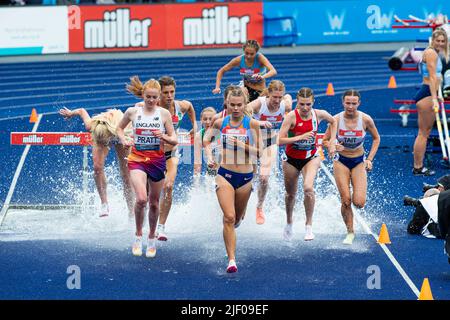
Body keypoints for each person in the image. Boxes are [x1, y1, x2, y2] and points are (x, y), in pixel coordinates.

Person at [203, 86, 263, 273]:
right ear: (227, 104)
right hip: (225, 174)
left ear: (244, 104)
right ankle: (231, 260)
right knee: (228, 218)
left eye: (239, 105)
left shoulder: (251, 124)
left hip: (245, 177)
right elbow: (206, 140)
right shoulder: (220, 123)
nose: (235, 108)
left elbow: (259, 152)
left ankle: (235, 226)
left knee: (237, 218)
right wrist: (210, 157)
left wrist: (240, 144)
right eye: (232, 105)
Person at [116, 77, 177, 258]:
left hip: (157, 161)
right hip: (137, 159)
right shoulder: (132, 112)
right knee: (141, 199)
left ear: (158, 98)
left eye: (154, 98)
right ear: (143, 95)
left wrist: (164, 137)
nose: (151, 101)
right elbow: (119, 129)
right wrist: (124, 139)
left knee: (154, 203)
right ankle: (137, 235)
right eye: (148, 97)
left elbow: (174, 139)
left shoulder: (164, 114)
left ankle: (151, 238)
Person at [278, 87, 337, 242]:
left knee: (308, 188)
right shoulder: (291, 117)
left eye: (308, 104)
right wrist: (299, 137)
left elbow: (333, 121)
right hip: (291, 159)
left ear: (313, 103)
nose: (305, 108)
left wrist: (331, 141)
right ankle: (289, 222)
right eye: (302, 104)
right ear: (297, 102)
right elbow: (279, 140)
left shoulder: (319, 114)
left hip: (311, 157)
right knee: (290, 194)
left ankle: (308, 226)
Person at [323, 89, 380, 245]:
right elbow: (324, 140)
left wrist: (369, 159)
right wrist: (332, 145)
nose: (350, 106)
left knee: (359, 202)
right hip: (341, 161)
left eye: (354, 103)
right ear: (343, 102)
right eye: (347, 103)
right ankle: (350, 232)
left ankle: (353, 215)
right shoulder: (335, 120)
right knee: (346, 200)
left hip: (359, 162)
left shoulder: (366, 119)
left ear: (359, 103)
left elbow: (376, 138)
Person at [58, 107, 134, 218]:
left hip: (120, 134)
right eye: (102, 142)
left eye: (105, 141)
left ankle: (131, 210)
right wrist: (70, 113)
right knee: (97, 168)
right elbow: (81, 111)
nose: (105, 144)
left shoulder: (122, 127)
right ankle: (104, 203)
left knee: (126, 175)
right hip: (103, 132)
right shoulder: (91, 126)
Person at [156, 76, 197, 241]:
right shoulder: (152, 107)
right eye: (165, 92)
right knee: (149, 193)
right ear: (159, 93)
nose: (169, 96)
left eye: (172, 92)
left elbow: (190, 107)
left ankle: (161, 226)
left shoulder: (181, 106)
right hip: (151, 154)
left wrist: (195, 125)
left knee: (169, 186)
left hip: (171, 153)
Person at [248, 80, 292, 224]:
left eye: (280, 97)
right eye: (274, 97)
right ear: (269, 95)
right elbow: (243, 111)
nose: (277, 101)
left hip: (270, 142)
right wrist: (258, 123)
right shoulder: (260, 103)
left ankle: (259, 207)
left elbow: (289, 99)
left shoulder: (285, 104)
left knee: (264, 178)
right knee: (250, 177)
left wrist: (287, 104)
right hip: (253, 141)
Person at [412, 28, 449, 176]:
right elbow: (433, 77)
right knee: (423, 134)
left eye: (443, 41)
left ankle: (418, 167)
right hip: (427, 94)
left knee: (424, 133)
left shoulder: (434, 52)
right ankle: (418, 167)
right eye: (438, 40)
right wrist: (434, 98)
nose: (440, 43)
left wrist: (437, 95)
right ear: (432, 40)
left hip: (429, 92)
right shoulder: (431, 53)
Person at [212, 40, 277, 102]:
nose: (248, 56)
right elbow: (221, 71)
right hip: (246, 89)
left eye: (252, 54)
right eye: (246, 53)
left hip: (259, 90)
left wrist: (262, 76)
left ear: (256, 52)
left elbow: (273, 71)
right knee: (236, 94)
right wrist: (217, 87)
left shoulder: (260, 58)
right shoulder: (239, 60)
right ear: (243, 50)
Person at [405, 174, 450, 238]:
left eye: (440, 187)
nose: (438, 188)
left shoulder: (429, 202)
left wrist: (422, 205)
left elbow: (412, 229)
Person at [194, 107, 220, 176]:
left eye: (210, 119)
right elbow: (197, 162)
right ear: (201, 120)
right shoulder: (199, 136)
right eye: (205, 119)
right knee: (209, 181)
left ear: (215, 120)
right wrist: (196, 182)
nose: (208, 122)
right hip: (212, 168)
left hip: (227, 167)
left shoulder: (221, 132)